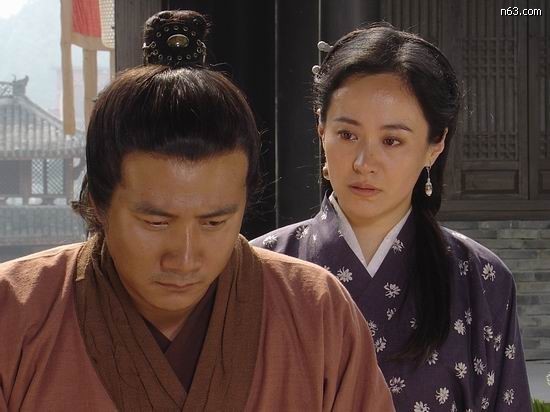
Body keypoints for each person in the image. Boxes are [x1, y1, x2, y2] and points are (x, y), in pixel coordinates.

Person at [0, 11, 394, 411]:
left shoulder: (316, 311)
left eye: (214, 222)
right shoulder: (14, 311)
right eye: (156, 222)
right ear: (98, 203)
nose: (185, 257)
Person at [252, 23, 532, 411]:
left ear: (435, 145)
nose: (364, 163)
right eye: (347, 135)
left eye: (392, 140)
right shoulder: (258, 267)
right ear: (321, 130)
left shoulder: (480, 278)